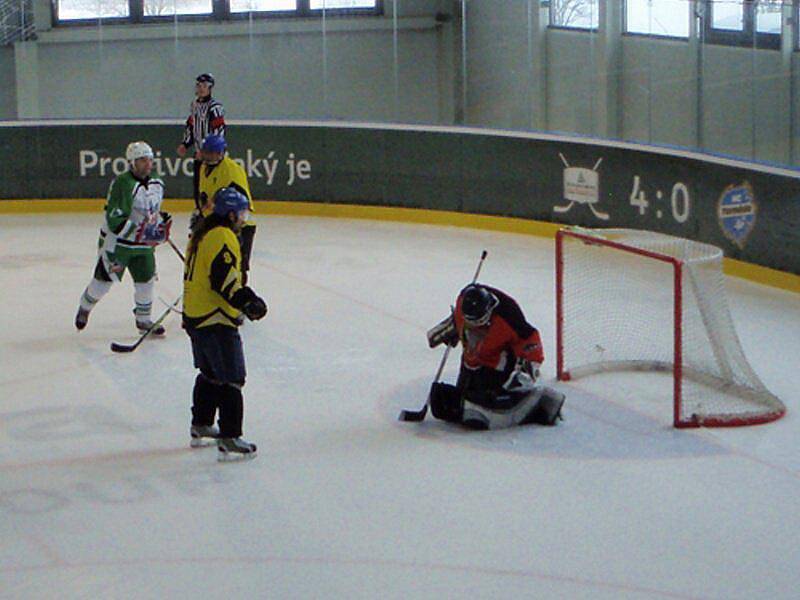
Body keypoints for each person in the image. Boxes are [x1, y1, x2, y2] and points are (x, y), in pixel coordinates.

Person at [183, 187, 267, 461]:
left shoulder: (204, 232)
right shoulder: (223, 236)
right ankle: (230, 436)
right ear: (230, 214)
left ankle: (202, 424)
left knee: (210, 374)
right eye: (241, 213)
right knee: (232, 379)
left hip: (195, 315)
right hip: (214, 318)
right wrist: (247, 301)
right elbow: (224, 281)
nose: (244, 218)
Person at [426, 283, 565, 430]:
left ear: (489, 310)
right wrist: (452, 328)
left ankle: (538, 402)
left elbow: (531, 344)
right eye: (471, 323)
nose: (476, 328)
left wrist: (523, 374)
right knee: (462, 399)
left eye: (480, 323)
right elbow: (457, 318)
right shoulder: (463, 301)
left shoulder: (509, 316)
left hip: (497, 363)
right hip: (472, 359)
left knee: (484, 402)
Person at [75, 141, 171, 333]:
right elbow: (115, 220)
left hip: (142, 244)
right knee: (103, 282)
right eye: (142, 160)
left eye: (149, 159)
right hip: (118, 243)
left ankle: (143, 320)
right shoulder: (122, 183)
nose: (147, 164)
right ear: (132, 162)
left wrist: (160, 223)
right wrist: (144, 232)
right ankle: (85, 307)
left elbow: (152, 211)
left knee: (146, 279)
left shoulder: (157, 181)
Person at [194, 134, 257, 285]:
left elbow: (241, 202)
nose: (207, 156)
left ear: (220, 153)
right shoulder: (204, 167)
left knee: (237, 266)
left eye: (211, 152)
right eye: (205, 152)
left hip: (239, 225)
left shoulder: (232, 170)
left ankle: (239, 299)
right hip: (218, 223)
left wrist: (214, 205)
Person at [177, 73, 225, 207]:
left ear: (210, 88)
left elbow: (219, 131)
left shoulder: (215, 107)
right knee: (198, 186)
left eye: (204, 86)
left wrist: (208, 150)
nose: (201, 88)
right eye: (199, 85)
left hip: (213, 156)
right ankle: (200, 210)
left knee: (213, 184)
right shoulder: (194, 106)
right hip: (199, 155)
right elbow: (191, 126)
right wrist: (185, 144)